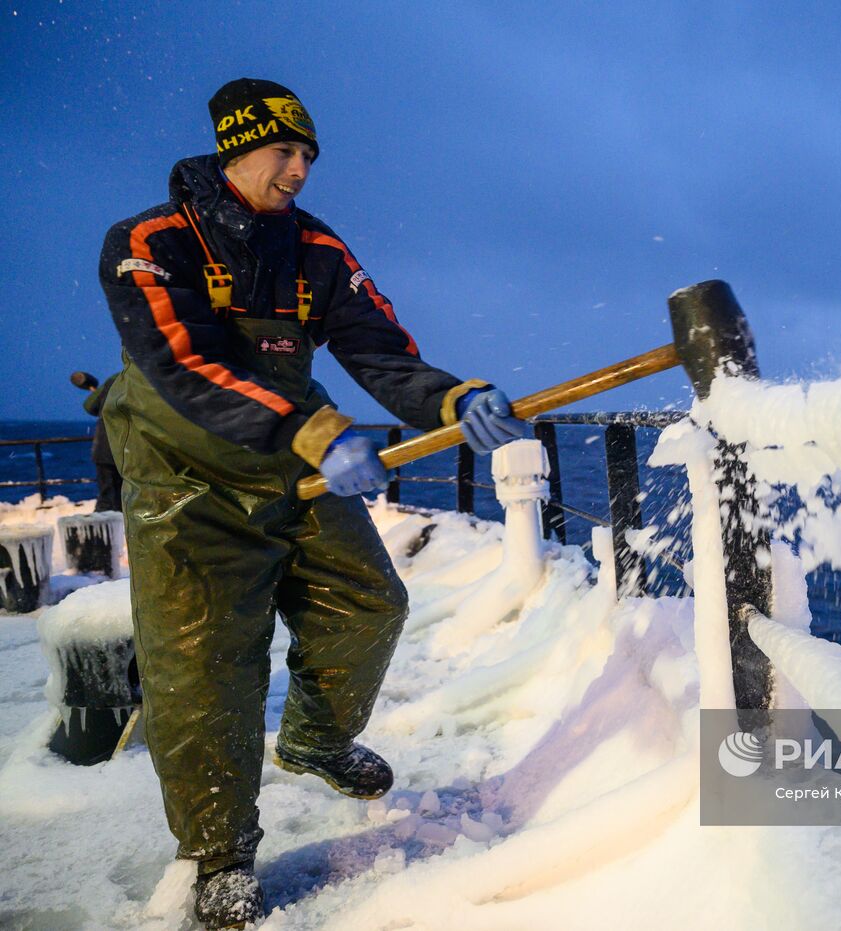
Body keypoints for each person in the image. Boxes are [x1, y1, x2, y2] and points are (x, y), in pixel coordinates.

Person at [98, 78, 527, 929]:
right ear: (236, 150)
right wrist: (314, 430)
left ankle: (315, 741)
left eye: (309, 156)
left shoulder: (318, 249)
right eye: (284, 152)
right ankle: (218, 852)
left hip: (296, 465)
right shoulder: (148, 241)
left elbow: (378, 348)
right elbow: (180, 361)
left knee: (369, 601)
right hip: (188, 480)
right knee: (204, 664)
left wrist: (452, 397)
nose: (299, 170)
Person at [71, 370, 124, 512]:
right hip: (132, 449)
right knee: (127, 497)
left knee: (107, 497)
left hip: (105, 448)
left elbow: (89, 406)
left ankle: (104, 530)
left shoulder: (115, 378)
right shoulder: (147, 379)